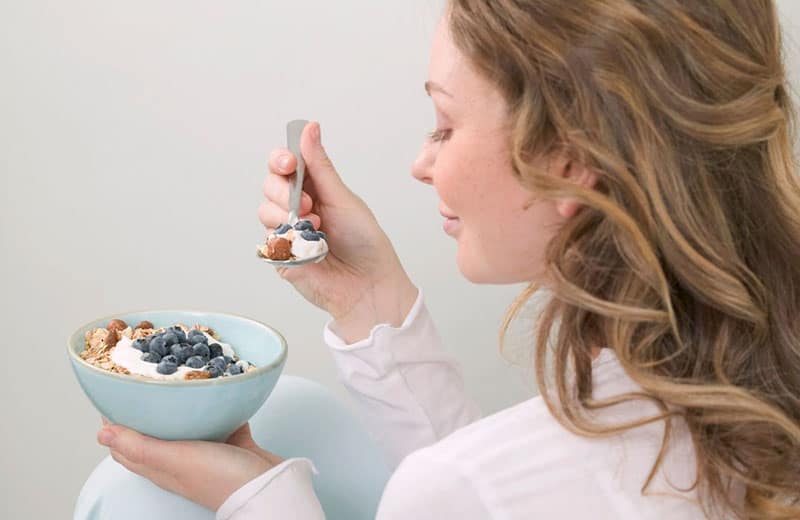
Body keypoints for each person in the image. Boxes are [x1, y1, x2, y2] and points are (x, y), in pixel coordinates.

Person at [96, 1, 800, 518]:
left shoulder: (466, 488)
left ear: (571, 158)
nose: (421, 163)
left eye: (444, 124)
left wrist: (263, 504)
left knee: (129, 498)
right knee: (301, 411)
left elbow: (480, 492)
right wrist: (367, 302)